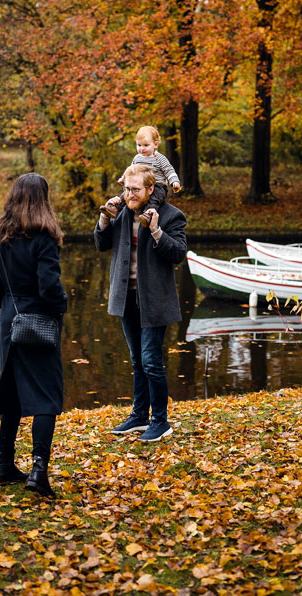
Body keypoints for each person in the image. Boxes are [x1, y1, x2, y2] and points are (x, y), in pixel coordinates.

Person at [0, 173, 68, 499]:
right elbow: (49, 288)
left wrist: (7, 309)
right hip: (40, 325)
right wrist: (62, 306)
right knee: (47, 397)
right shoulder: (43, 238)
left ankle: (4, 466)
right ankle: (38, 472)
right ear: (42, 199)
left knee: (13, 394)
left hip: (10, 323)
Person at [95, 163, 187, 441]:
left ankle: (160, 421)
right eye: (126, 189)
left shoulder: (172, 216)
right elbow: (101, 244)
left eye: (135, 190)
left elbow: (179, 254)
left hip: (154, 300)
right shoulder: (122, 211)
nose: (129, 194)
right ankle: (138, 416)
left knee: (151, 361)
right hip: (126, 297)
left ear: (150, 189)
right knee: (137, 360)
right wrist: (104, 220)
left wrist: (157, 231)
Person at [100, 125, 182, 226]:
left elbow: (169, 170)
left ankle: (148, 215)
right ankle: (114, 209)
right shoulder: (137, 158)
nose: (142, 149)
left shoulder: (159, 158)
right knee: (126, 194)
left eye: (146, 145)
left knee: (154, 199)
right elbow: (130, 171)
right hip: (138, 184)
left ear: (155, 145)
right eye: (139, 145)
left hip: (157, 185)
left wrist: (174, 181)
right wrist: (123, 179)